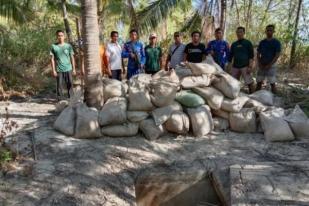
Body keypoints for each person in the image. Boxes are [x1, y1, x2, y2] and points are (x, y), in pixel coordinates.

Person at [50, 30, 76, 100]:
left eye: (61, 36)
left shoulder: (68, 46)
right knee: (59, 85)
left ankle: (71, 98)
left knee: (70, 84)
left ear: (64, 37)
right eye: (58, 36)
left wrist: (74, 69)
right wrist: (54, 70)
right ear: (56, 37)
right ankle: (60, 100)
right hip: (59, 69)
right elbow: (52, 59)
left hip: (68, 68)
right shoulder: (54, 46)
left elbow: (72, 57)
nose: (60, 37)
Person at [228, 26, 255, 93]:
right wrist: (229, 67)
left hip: (245, 66)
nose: (239, 33)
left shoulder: (248, 43)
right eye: (237, 32)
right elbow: (230, 56)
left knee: (249, 83)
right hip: (235, 67)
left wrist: (250, 66)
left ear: (244, 33)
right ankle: (235, 95)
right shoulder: (234, 44)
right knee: (234, 83)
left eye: (241, 32)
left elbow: (251, 56)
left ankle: (253, 96)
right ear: (236, 33)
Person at [256, 25, 281, 94]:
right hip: (262, 65)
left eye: (271, 30)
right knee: (259, 82)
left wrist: (270, 65)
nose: (269, 32)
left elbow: (277, 55)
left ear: (273, 31)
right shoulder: (262, 42)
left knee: (272, 83)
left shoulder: (276, 42)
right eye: (268, 30)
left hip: (271, 65)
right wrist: (259, 63)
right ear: (265, 31)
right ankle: (255, 97)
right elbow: (258, 53)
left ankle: (275, 97)